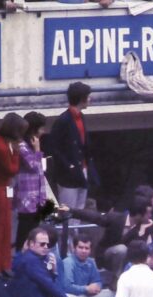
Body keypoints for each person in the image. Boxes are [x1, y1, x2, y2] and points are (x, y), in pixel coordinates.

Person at [68, 198, 153, 278]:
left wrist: (141, 232)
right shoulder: (116, 218)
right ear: (138, 215)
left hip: (127, 261)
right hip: (107, 255)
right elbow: (95, 217)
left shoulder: (144, 227)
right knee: (121, 249)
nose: (150, 216)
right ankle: (116, 279)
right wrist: (71, 211)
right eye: (148, 213)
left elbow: (140, 252)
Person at [0, 113, 26, 274]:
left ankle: (5, 264)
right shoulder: (0, 146)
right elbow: (12, 169)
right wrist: (16, 153)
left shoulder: (5, 143)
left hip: (5, 187)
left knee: (7, 227)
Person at [49, 82, 97, 213]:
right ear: (81, 98)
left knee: (80, 209)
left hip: (83, 169)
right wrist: (68, 165)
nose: (90, 99)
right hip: (68, 175)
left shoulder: (81, 117)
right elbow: (54, 146)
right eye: (88, 96)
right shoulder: (63, 120)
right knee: (68, 211)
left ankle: (76, 233)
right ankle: (68, 234)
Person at [14, 111, 49, 251]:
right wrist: (37, 150)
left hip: (36, 196)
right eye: (41, 128)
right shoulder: (22, 146)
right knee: (25, 230)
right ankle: (19, 254)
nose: (43, 131)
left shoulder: (30, 146)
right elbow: (33, 165)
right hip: (26, 197)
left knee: (34, 229)